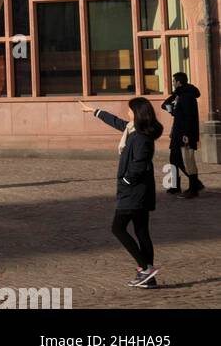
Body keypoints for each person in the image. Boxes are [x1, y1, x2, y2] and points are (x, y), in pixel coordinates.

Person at [81, 97, 163, 288]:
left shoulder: (141, 137)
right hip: (138, 191)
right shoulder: (133, 129)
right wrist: (94, 111)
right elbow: (117, 122)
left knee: (117, 229)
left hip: (134, 192)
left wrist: (126, 180)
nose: (127, 112)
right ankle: (149, 279)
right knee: (142, 232)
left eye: (130, 110)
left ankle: (146, 268)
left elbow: (140, 164)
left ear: (138, 113)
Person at [162, 72, 204, 198]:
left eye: (174, 81)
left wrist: (186, 134)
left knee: (188, 160)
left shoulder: (186, 96)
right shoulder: (180, 94)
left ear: (179, 82)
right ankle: (178, 186)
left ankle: (194, 188)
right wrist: (173, 109)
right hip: (178, 132)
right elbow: (177, 112)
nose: (173, 83)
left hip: (184, 133)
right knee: (175, 159)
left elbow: (188, 117)